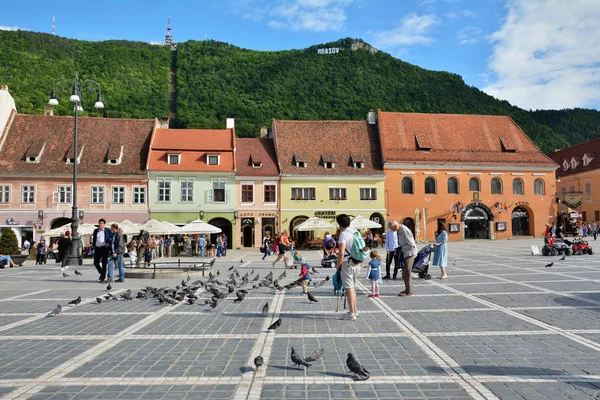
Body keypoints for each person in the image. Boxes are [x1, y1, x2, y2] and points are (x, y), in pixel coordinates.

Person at [336, 214, 363, 321]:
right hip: (357, 262)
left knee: (349, 288)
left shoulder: (344, 235)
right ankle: (354, 310)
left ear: (339, 224)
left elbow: (341, 253)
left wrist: (338, 265)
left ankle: (351, 313)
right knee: (352, 287)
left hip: (347, 263)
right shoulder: (356, 231)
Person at [397, 220, 418, 296]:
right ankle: (407, 289)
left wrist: (401, 249)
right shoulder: (400, 229)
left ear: (396, 226)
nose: (394, 231)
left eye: (393, 229)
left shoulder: (404, 230)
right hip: (406, 253)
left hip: (409, 253)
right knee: (404, 272)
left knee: (407, 272)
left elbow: (411, 244)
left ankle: (409, 291)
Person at [92, 219, 112, 283]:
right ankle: (101, 273)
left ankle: (102, 278)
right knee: (95, 262)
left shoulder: (107, 230)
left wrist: (109, 243)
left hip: (104, 248)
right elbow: (94, 238)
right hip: (97, 248)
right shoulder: (95, 231)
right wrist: (93, 245)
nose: (100, 225)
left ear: (104, 224)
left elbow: (112, 238)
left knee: (104, 263)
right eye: (99, 223)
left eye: (101, 223)